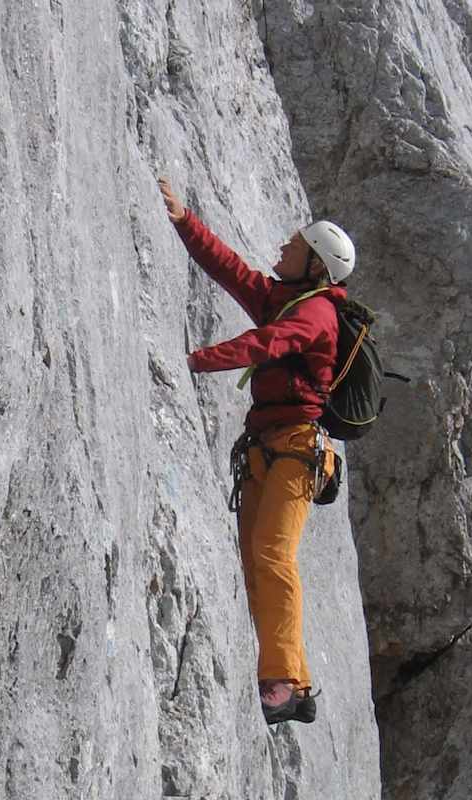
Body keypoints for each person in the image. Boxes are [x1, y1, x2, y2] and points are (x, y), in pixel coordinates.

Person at [157, 177, 355, 724]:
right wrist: (184, 220)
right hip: (268, 449)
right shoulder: (285, 298)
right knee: (255, 563)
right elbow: (233, 271)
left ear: (316, 265)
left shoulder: (315, 315)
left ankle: (289, 682)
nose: (281, 249)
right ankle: (281, 675)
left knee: (272, 556)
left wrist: (199, 359)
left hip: (297, 449)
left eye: (294, 246)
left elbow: (270, 343)